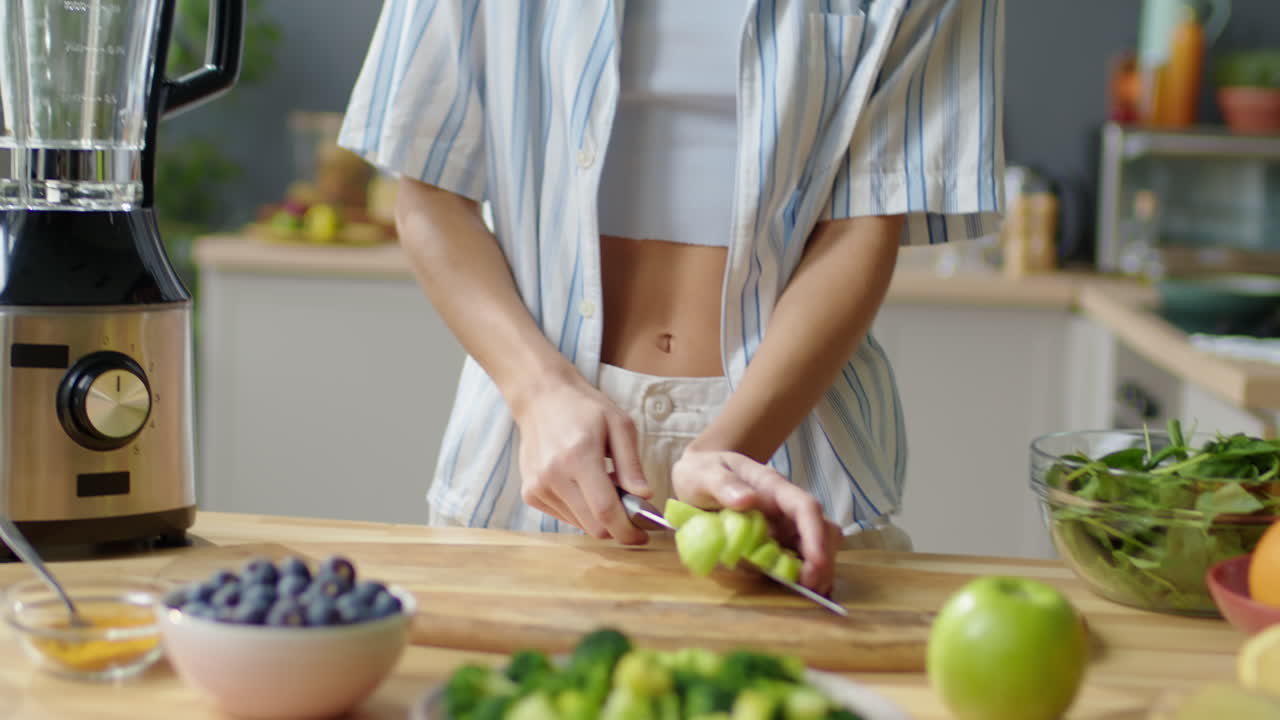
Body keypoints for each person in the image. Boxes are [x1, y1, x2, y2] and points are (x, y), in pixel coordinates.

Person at [339, 0, 1004, 595]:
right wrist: (539, 393)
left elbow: (864, 225)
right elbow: (429, 190)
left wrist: (733, 448)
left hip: (784, 450)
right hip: (540, 437)